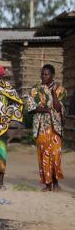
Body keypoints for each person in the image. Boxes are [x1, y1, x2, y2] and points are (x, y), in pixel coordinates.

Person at [26, 64, 67, 192]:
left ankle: (55, 182)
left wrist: (53, 92)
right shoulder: (35, 90)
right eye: (42, 74)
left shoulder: (61, 90)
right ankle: (47, 183)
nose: (43, 76)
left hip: (55, 128)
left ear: (52, 75)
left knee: (56, 155)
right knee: (44, 155)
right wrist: (45, 110)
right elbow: (31, 108)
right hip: (41, 127)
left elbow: (59, 108)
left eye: (46, 74)